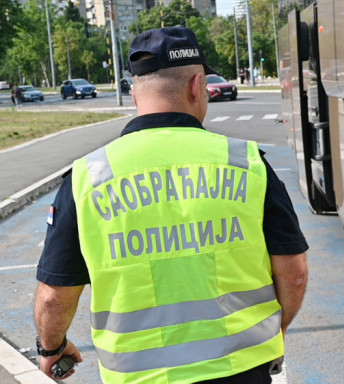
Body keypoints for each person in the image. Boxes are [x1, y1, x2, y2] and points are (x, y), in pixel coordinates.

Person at [34, 26, 309, 384]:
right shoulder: (245, 163)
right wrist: (274, 331)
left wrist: (51, 349)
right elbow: (294, 272)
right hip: (242, 370)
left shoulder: (88, 177)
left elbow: (54, 297)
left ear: (135, 94)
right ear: (197, 86)